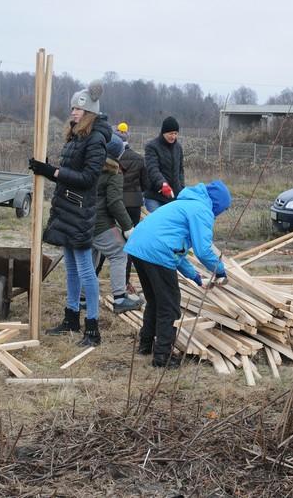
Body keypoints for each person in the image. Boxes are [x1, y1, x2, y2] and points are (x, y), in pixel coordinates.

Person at [29, 81, 108, 346]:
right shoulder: (77, 136)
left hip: (80, 211)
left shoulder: (96, 139)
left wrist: (52, 171)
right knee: (71, 268)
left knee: (86, 269)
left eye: (78, 109)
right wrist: (47, 169)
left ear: (90, 113)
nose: (73, 112)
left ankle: (93, 328)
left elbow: (87, 178)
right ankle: (71, 317)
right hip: (67, 208)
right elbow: (68, 173)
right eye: (72, 108)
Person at [125, 180, 232, 368]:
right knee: (170, 306)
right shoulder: (201, 210)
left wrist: (196, 277)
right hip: (156, 251)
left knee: (155, 300)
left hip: (138, 247)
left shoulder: (184, 204)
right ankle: (162, 357)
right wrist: (220, 270)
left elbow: (177, 252)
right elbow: (203, 250)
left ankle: (145, 345)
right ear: (218, 204)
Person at [92, 134, 143, 314]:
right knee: (120, 252)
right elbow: (114, 202)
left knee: (90, 259)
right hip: (100, 223)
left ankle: (83, 298)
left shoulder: (92, 166)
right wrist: (128, 227)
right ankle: (120, 298)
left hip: (84, 221)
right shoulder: (114, 171)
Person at [116, 121, 147, 294]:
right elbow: (145, 184)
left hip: (115, 202)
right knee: (129, 242)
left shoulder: (111, 158)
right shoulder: (139, 159)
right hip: (133, 203)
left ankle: (95, 275)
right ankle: (125, 281)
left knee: (108, 241)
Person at [144, 116, 184, 212]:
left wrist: (181, 188)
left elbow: (180, 170)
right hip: (155, 196)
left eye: (175, 133)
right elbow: (152, 169)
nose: (173, 136)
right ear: (164, 132)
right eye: (171, 133)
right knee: (156, 220)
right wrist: (163, 184)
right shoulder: (152, 147)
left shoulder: (178, 148)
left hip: (173, 197)